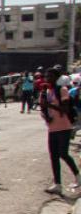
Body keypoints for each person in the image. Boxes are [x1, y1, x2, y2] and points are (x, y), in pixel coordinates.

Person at [39, 67, 80, 195]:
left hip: (64, 127)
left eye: (50, 76)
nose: (48, 79)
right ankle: (57, 184)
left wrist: (50, 105)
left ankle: (78, 176)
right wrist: (46, 115)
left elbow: (66, 109)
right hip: (52, 128)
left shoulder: (61, 90)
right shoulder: (45, 92)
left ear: (56, 78)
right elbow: (43, 110)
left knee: (63, 153)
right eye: (47, 76)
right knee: (54, 156)